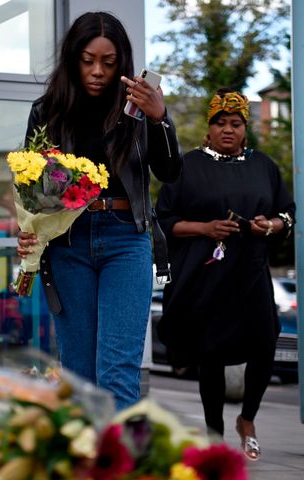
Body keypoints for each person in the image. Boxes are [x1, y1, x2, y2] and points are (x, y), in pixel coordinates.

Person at [16, 11, 182, 410]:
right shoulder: (48, 110)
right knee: (78, 376)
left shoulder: (140, 109)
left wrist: (161, 118)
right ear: (73, 59)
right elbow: (31, 187)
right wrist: (29, 231)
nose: (97, 72)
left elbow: (171, 171)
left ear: (121, 63)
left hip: (127, 238)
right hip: (68, 244)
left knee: (117, 371)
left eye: (108, 64)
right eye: (88, 60)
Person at [155, 88, 295, 460]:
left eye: (235, 123)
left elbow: (288, 214)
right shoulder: (187, 166)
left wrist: (272, 225)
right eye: (220, 123)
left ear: (245, 129)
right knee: (211, 355)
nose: (228, 130)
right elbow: (164, 222)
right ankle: (214, 432)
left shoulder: (263, 165)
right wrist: (206, 229)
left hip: (250, 274)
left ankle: (247, 420)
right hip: (206, 276)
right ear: (209, 127)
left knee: (266, 343)